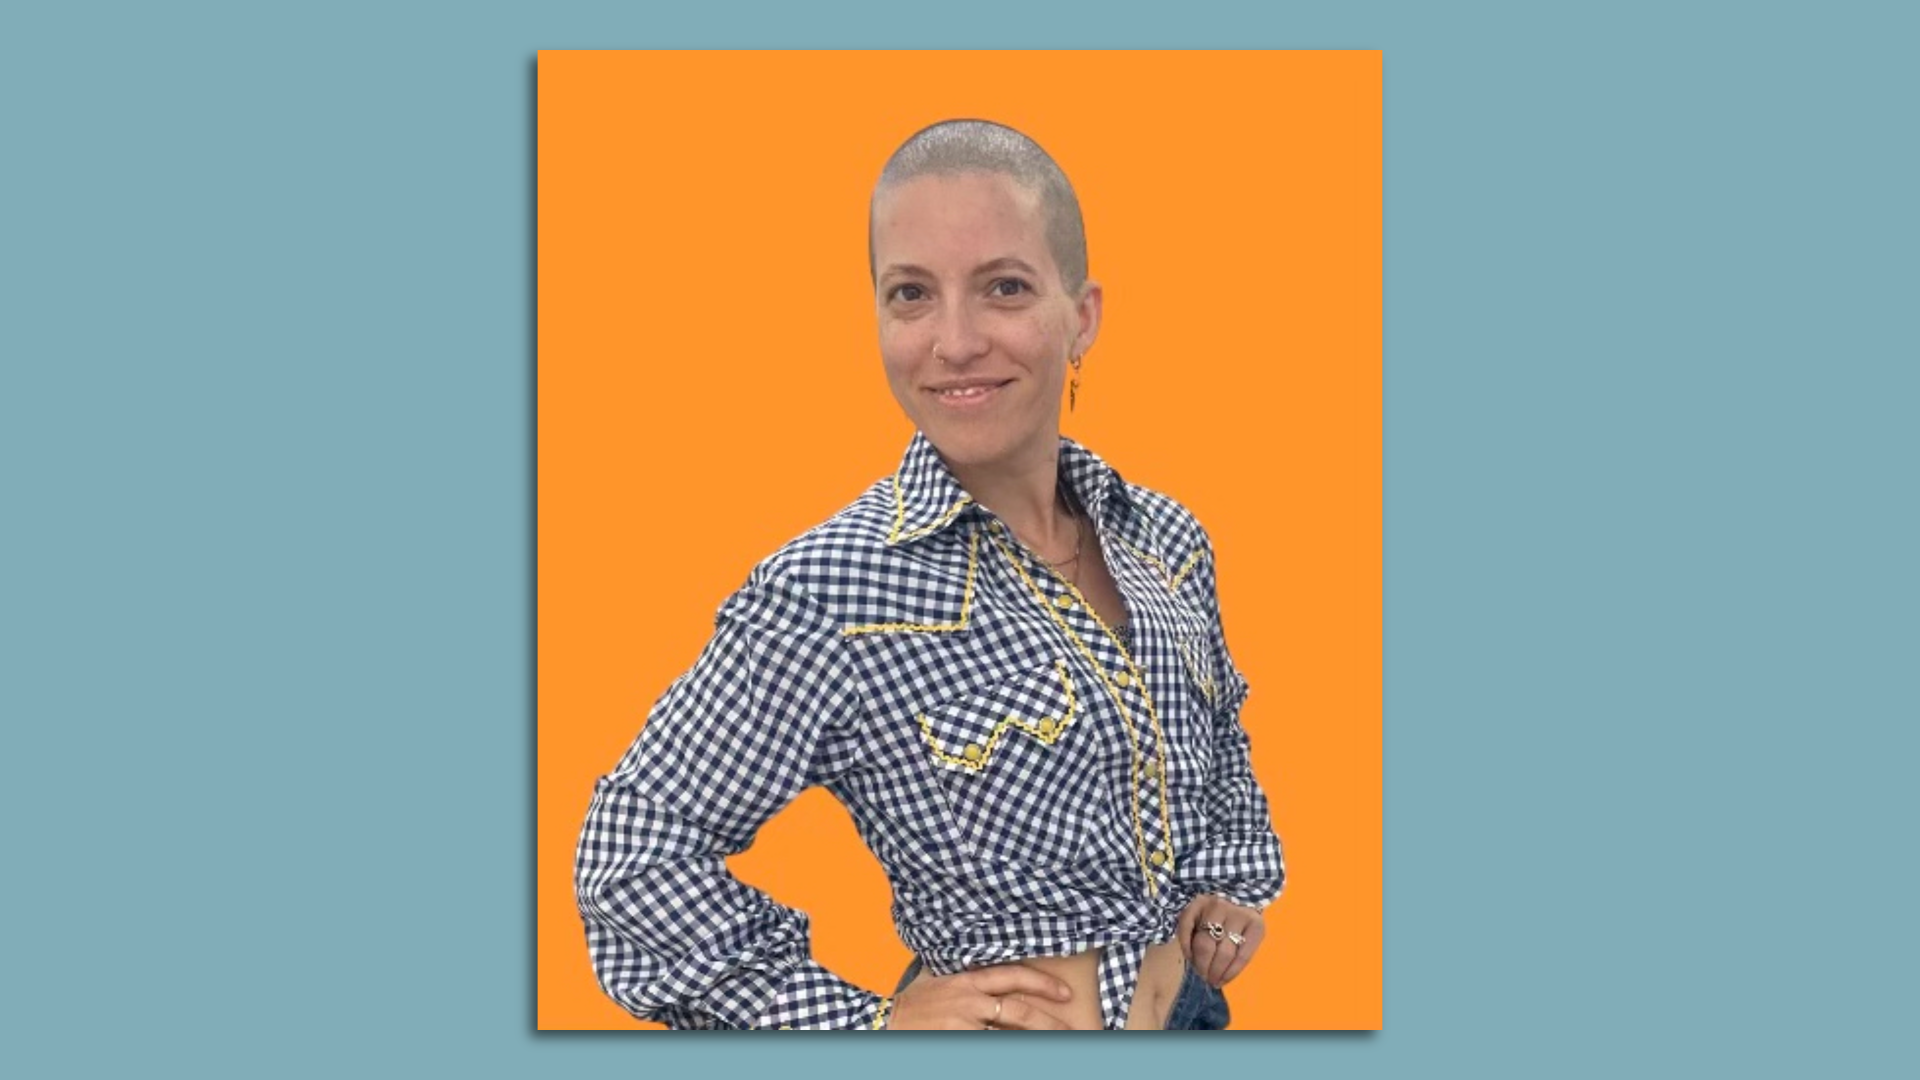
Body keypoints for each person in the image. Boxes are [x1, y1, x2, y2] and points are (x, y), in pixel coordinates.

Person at [575, 119, 1284, 1030]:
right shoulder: (828, 592)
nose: (954, 341)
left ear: (1083, 316)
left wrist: (1231, 876)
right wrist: (862, 1026)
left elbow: (1221, 728)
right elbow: (634, 852)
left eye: (1005, 288)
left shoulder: (1167, 541)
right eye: (912, 293)